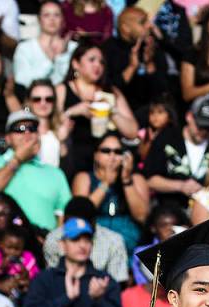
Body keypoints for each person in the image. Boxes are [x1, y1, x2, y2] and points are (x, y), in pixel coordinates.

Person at [17, 216, 125, 307]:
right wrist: (65, 300)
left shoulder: (104, 281)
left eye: (87, 240)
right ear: (62, 245)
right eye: (75, 239)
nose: (82, 245)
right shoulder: (44, 279)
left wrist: (99, 300)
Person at [0, 110, 72, 232]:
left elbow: (64, 217)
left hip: (45, 244)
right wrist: (17, 159)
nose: (27, 132)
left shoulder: (55, 173)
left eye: (32, 128)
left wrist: (54, 245)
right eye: (19, 129)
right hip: (5, 244)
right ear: (8, 138)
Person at [56, 42, 139, 178]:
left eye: (101, 62)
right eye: (91, 60)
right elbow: (51, 125)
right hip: (74, 157)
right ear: (76, 63)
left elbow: (133, 131)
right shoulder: (62, 89)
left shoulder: (111, 92)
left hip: (107, 158)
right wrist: (73, 111)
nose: (97, 66)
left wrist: (112, 111)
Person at [72, 132, 150, 253]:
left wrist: (126, 181)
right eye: (106, 151)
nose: (112, 156)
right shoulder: (84, 178)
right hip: (95, 246)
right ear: (96, 155)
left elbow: (142, 216)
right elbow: (81, 216)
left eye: (118, 152)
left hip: (129, 246)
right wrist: (106, 183)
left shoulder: (136, 179)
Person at [143, 100, 209, 210]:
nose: (203, 131)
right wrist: (181, 186)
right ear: (189, 117)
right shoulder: (167, 138)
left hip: (207, 211)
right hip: (170, 211)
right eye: (200, 125)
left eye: (208, 127)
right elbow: (149, 180)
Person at [102, 6, 169, 112]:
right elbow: (108, 90)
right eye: (143, 22)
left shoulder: (150, 48)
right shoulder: (109, 50)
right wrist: (132, 68)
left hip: (150, 112)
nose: (149, 26)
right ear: (125, 28)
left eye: (148, 21)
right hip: (119, 111)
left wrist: (150, 64)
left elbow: (161, 92)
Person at [13, 0, 76, 87]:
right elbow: (22, 80)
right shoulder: (24, 48)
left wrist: (62, 57)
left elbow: (74, 80)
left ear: (62, 20)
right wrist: (49, 61)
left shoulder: (73, 48)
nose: (52, 19)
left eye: (56, 15)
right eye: (46, 15)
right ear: (39, 19)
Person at [27, 78, 73, 168]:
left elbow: (68, 171)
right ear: (29, 102)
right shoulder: (21, 131)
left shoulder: (62, 131)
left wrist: (61, 142)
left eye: (49, 99)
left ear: (54, 102)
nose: (43, 103)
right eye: (37, 99)